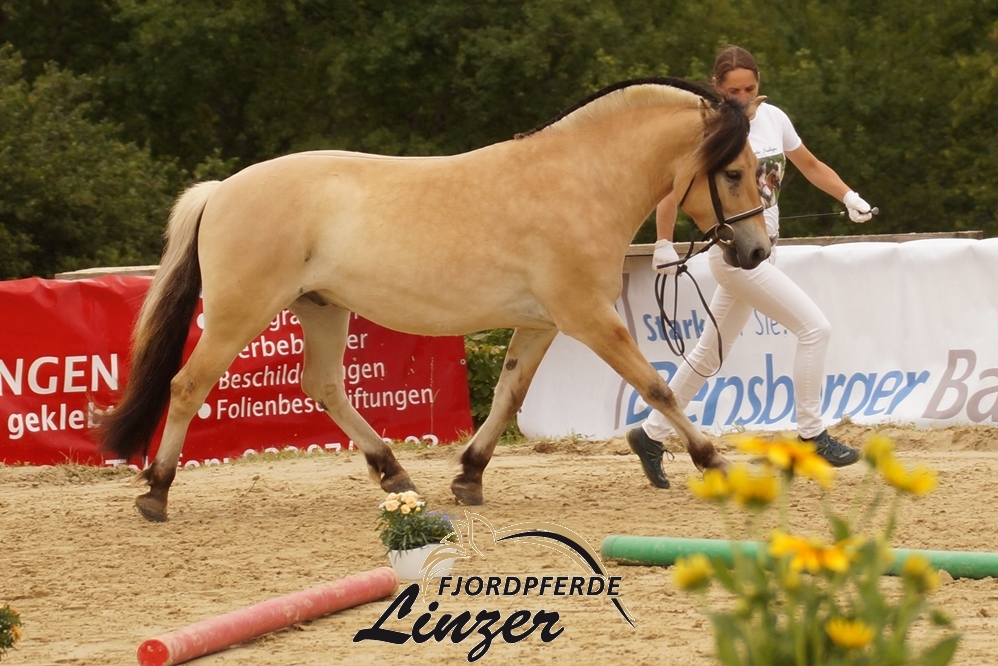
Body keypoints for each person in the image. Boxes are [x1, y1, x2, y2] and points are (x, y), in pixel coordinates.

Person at [627, 45, 874, 488]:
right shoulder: (710, 130)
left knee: (708, 355)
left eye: (750, 88)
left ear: (759, 84)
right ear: (717, 88)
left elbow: (811, 165)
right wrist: (663, 241)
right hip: (736, 255)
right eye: (733, 89)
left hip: (766, 248)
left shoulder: (775, 119)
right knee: (815, 329)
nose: (742, 96)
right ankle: (811, 433)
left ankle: (651, 434)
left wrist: (848, 196)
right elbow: (672, 187)